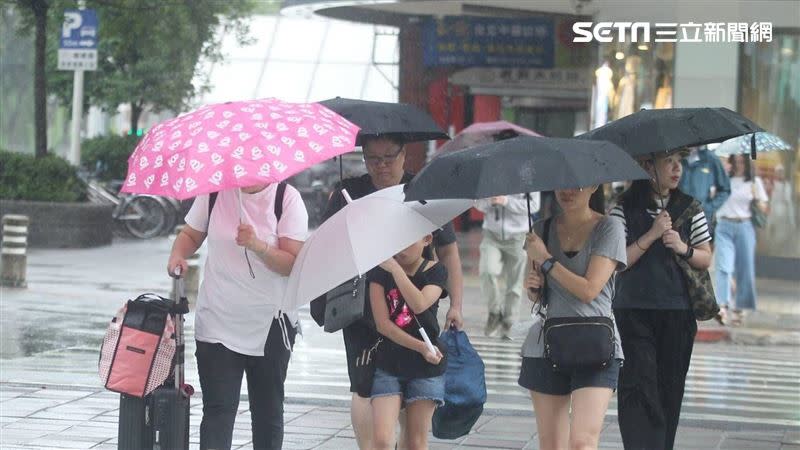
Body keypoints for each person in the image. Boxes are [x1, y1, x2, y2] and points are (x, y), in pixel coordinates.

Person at [320, 134, 465, 449]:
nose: (381, 166)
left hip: (412, 301)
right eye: (372, 158)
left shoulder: (425, 190)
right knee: (364, 383)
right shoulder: (349, 192)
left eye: (388, 157)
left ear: (404, 155)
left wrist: (456, 303)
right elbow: (327, 244)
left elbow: (449, 251)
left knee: (411, 385)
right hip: (361, 305)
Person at [166, 183, 308, 450]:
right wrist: (178, 255)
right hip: (218, 320)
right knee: (218, 411)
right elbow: (190, 234)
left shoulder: (286, 198)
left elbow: (292, 264)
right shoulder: (214, 193)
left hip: (270, 323)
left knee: (267, 413)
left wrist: (258, 246)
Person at [609, 150, 713, 450]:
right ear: (647, 166)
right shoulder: (623, 207)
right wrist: (653, 234)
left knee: (670, 389)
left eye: (679, 160)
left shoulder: (690, 207)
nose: (676, 167)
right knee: (639, 388)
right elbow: (618, 262)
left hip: (677, 312)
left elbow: (705, 258)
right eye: (668, 161)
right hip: (632, 311)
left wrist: (683, 247)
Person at [520, 184, 627, 450]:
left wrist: (546, 260)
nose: (567, 191)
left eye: (577, 185)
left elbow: (589, 290)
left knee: (582, 443)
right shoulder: (540, 230)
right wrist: (534, 286)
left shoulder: (609, 228)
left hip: (596, 345)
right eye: (561, 183)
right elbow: (535, 294)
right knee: (552, 445)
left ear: (593, 186)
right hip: (546, 344)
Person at [369, 234, 448, 450]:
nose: (401, 249)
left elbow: (419, 303)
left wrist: (396, 270)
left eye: (408, 241)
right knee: (383, 440)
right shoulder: (379, 271)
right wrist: (419, 347)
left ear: (426, 239)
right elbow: (383, 324)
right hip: (389, 362)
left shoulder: (436, 271)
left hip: (426, 366)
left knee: (415, 442)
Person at [476, 191, 539, 339]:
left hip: (519, 235)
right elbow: (477, 203)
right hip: (491, 234)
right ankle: (494, 312)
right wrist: (489, 202)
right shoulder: (490, 174)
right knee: (487, 271)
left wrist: (507, 202)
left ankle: (509, 322)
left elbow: (534, 206)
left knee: (515, 282)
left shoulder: (527, 175)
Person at [714, 154, 769, 325]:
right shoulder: (722, 180)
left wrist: (757, 199)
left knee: (744, 270)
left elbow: (764, 207)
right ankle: (723, 306)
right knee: (724, 266)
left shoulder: (754, 182)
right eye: (735, 162)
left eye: (741, 162)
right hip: (724, 225)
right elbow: (714, 199)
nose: (738, 166)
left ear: (746, 163)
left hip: (744, 226)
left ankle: (740, 307)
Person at [679, 145, 731, 235]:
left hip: (702, 219)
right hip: (678, 218)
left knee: (702, 248)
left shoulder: (711, 159)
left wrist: (709, 207)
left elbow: (725, 189)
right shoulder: (678, 157)